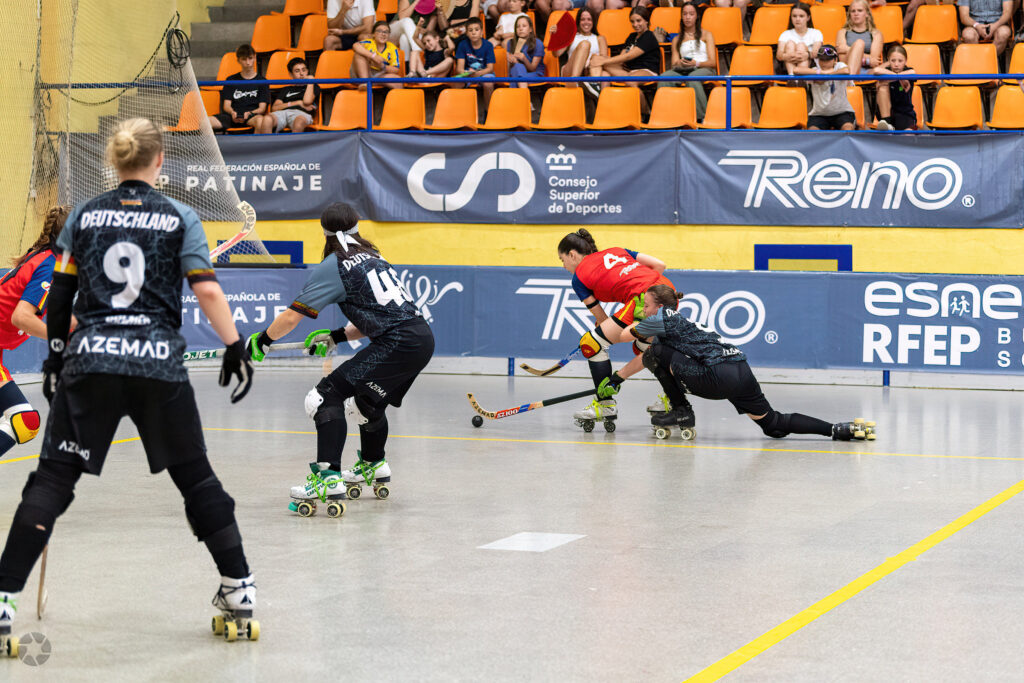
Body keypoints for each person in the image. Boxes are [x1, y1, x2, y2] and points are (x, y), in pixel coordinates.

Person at [0, 118, 257, 647]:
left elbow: (61, 294)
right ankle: (239, 590)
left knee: (51, 481)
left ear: (112, 162)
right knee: (197, 480)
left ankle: (3, 600)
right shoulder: (181, 215)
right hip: (157, 364)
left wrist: (56, 355)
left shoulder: (85, 216)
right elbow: (208, 291)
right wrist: (234, 345)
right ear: (159, 161)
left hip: (91, 361)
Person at [243, 203, 434, 511]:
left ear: (324, 232)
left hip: (397, 343)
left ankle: (328, 478)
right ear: (357, 227)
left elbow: (291, 318)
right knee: (365, 404)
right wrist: (337, 336)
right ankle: (373, 464)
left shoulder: (335, 265)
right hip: (421, 339)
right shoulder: (374, 256)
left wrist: (263, 340)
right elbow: (382, 315)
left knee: (323, 397)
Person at [601, 284, 876, 441]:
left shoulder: (663, 318)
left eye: (646, 305)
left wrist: (630, 320)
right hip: (741, 369)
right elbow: (649, 356)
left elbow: (624, 337)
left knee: (655, 351)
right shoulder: (681, 323)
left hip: (717, 375)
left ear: (660, 307)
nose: (644, 309)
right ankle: (838, 429)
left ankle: (681, 412)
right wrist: (619, 377)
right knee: (773, 425)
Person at [556, 228, 676, 424]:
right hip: (667, 291)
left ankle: (604, 405)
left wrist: (639, 299)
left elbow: (602, 320)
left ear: (572, 254)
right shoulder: (617, 250)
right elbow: (659, 265)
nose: (564, 266)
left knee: (592, 343)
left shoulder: (578, 278)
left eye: (562, 260)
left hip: (642, 299)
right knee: (645, 349)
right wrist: (649, 294)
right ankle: (673, 401)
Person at [0, 206, 68, 465]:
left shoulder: (45, 256)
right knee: (24, 420)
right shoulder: (49, 265)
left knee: (24, 422)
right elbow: (21, 318)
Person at [658, 1, 716, 121]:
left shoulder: (707, 34)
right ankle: (666, 118)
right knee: (664, 78)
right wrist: (680, 63)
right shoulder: (677, 39)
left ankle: (702, 118)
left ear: (697, 16)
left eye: (691, 14)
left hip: (703, 68)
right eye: (684, 14)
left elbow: (712, 62)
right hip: (684, 69)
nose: (687, 17)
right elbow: (674, 63)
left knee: (693, 78)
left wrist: (696, 63)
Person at [589, 7, 661, 106]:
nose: (635, 24)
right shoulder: (631, 36)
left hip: (647, 71)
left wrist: (604, 61)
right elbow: (622, 57)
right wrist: (601, 60)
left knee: (630, 81)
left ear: (646, 21)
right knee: (597, 60)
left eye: (638, 21)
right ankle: (596, 86)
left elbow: (628, 56)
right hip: (628, 71)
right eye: (632, 21)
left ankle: (646, 112)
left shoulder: (649, 36)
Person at [209, 44, 270, 133]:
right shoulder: (231, 80)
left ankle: (255, 142)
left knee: (260, 121)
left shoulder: (262, 81)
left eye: (250, 58)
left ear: (255, 57)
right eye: (244, 59)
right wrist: (232, 112)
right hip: (232, 116)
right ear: (238, 60)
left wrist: (250, 113)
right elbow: (226, 106)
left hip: (251, 116)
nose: (248, 62)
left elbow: (262, 108)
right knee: (205, 122)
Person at [794, 44, 857, 130]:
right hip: (819, 115)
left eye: (828, 60)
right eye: (822, 59)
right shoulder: (815, 70)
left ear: (835, 60)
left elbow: (847, 70)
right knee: (812, 132)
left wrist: (828, 75)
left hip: (842, 112)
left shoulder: (840, 66)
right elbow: (796, 70)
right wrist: (821, 73)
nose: (824, 63)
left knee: (847, 129)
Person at [552, 7, 608, 97]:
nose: (586, 22)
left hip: (590, 72)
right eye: (583, 19)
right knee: (585, 44)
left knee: (605, 75)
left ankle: (601, 101)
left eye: (589, 19)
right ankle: (574, 80)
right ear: (578, 22)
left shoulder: (600, 38)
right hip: (570, 72)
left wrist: (589, 64)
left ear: (593, 22)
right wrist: (555, 36)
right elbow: (556, 54)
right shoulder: (571, 36)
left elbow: (604, 60)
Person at [261, 57, 320, 133]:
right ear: (291, 74)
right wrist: (298, 103)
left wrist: (310, 81)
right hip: (283, 113)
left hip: (301, 114)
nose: (301, 74)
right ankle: (268, 141)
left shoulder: (313, 86)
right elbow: (275, 108)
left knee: (299, 122)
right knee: (267, 119)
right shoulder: (286, 89)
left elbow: (307, 101)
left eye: (304, 70)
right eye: (297, 71)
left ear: (307, 71)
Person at [873, 44, 917, 130]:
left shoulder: (908, 71)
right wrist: (898, 77)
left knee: (908, 134)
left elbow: (913, 72)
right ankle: (887, 123)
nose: (896, 64)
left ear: (905, 61)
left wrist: (894, 77)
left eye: (900, 61)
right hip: (888, 114)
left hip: (905, 114)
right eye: (893, 61)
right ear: (888, 61)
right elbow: (876, 70)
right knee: (882, 88)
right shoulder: (886, 71)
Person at [454, 18, 497, 107]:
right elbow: (459, 69)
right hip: (468, 74)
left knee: (488, 83)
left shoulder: (488, 45)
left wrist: (477, 74)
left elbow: (490, 68)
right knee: (456, 82)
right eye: (470, 30)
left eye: (476, 30)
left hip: (484, 73)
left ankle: (488, 111)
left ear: (481, 32)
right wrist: (466, 73)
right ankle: (459, 110)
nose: (473, 33)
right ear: (467, 33)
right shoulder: (462, 45)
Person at [352, 21, 404, 89]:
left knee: (398, 81)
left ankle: (370, 83)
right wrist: (373, 57)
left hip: (379, 75)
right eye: (379, 31)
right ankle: (365, 83)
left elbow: (396, 69)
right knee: (359, 54)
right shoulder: (369, 42)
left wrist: (382, 66)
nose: (383, 34)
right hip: (363, 73)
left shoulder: (392, 48)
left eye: (386, 32)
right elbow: (355, 45)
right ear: (373, 34)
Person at [776, 3, 822, 77]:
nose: (797, 19)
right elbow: (779, 55)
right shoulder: (785, 34)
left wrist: (807, 55)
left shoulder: (816, 33)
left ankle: (799, 79)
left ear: (808, 18)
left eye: (801, 16)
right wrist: (789, 56)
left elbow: (816, 53)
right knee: (790, 44)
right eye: (794, 16)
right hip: (788, 65)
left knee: (801, 46)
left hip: (810, 66)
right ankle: (793, 78)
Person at [836, 0, 882, 74]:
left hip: (867, 72)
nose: (856, 14)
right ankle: (852, 79)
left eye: (860, 10)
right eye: (853, 11)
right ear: (849, 14)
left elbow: (874, 61)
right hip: (846, 70)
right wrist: (867, 60)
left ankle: (851, 80)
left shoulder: (876, 34)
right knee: (859, 43)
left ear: (867, 14)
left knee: (859, 43)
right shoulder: (842, 32)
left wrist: (848, 49)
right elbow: (843, 60)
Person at [506, 16, 547, 88]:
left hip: (535, 74)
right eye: (518, 27)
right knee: (517, 67)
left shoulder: (538, 43)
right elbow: (510, 69)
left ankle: (520, 94)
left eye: (524, 26)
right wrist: (511, 60)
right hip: (517, 71)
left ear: (530, 29)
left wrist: (524, 58)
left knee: (517, 76)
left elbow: (532, 69)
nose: (520, 29)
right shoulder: (511, 43)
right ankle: (524, 94)